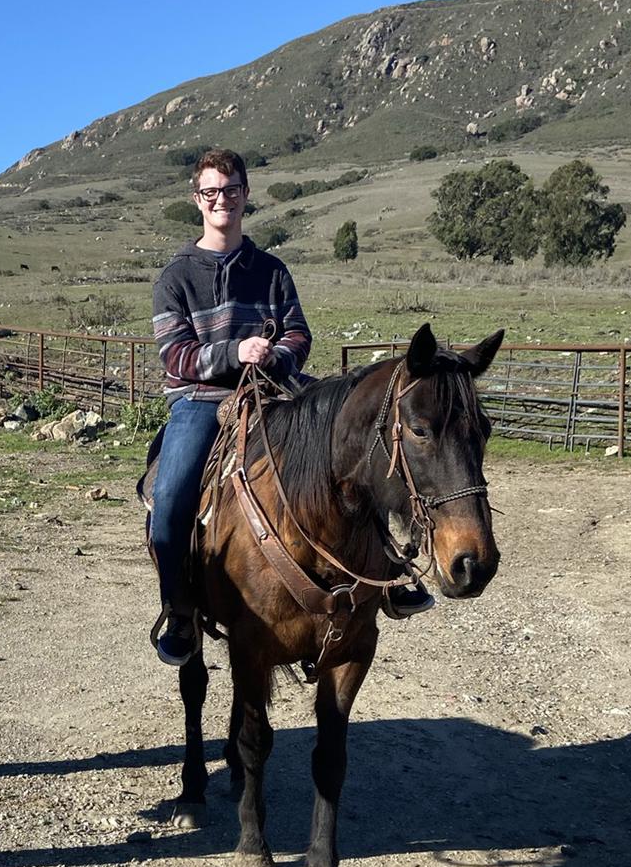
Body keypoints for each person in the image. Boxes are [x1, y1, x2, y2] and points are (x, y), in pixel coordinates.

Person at [148, 148, 430, 666]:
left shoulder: (272, 270)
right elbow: (174, 353)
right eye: (211, 192)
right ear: (197, 200)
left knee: (355, 452)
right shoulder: (176, 277)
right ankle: (180, 609)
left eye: (230, 190)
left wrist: (277, 353)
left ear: (245, 195)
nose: (221, 201)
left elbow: (299, 332)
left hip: (278, 391)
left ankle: (386, 572)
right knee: (169, 503)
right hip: (202, 401)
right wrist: (233, 352)